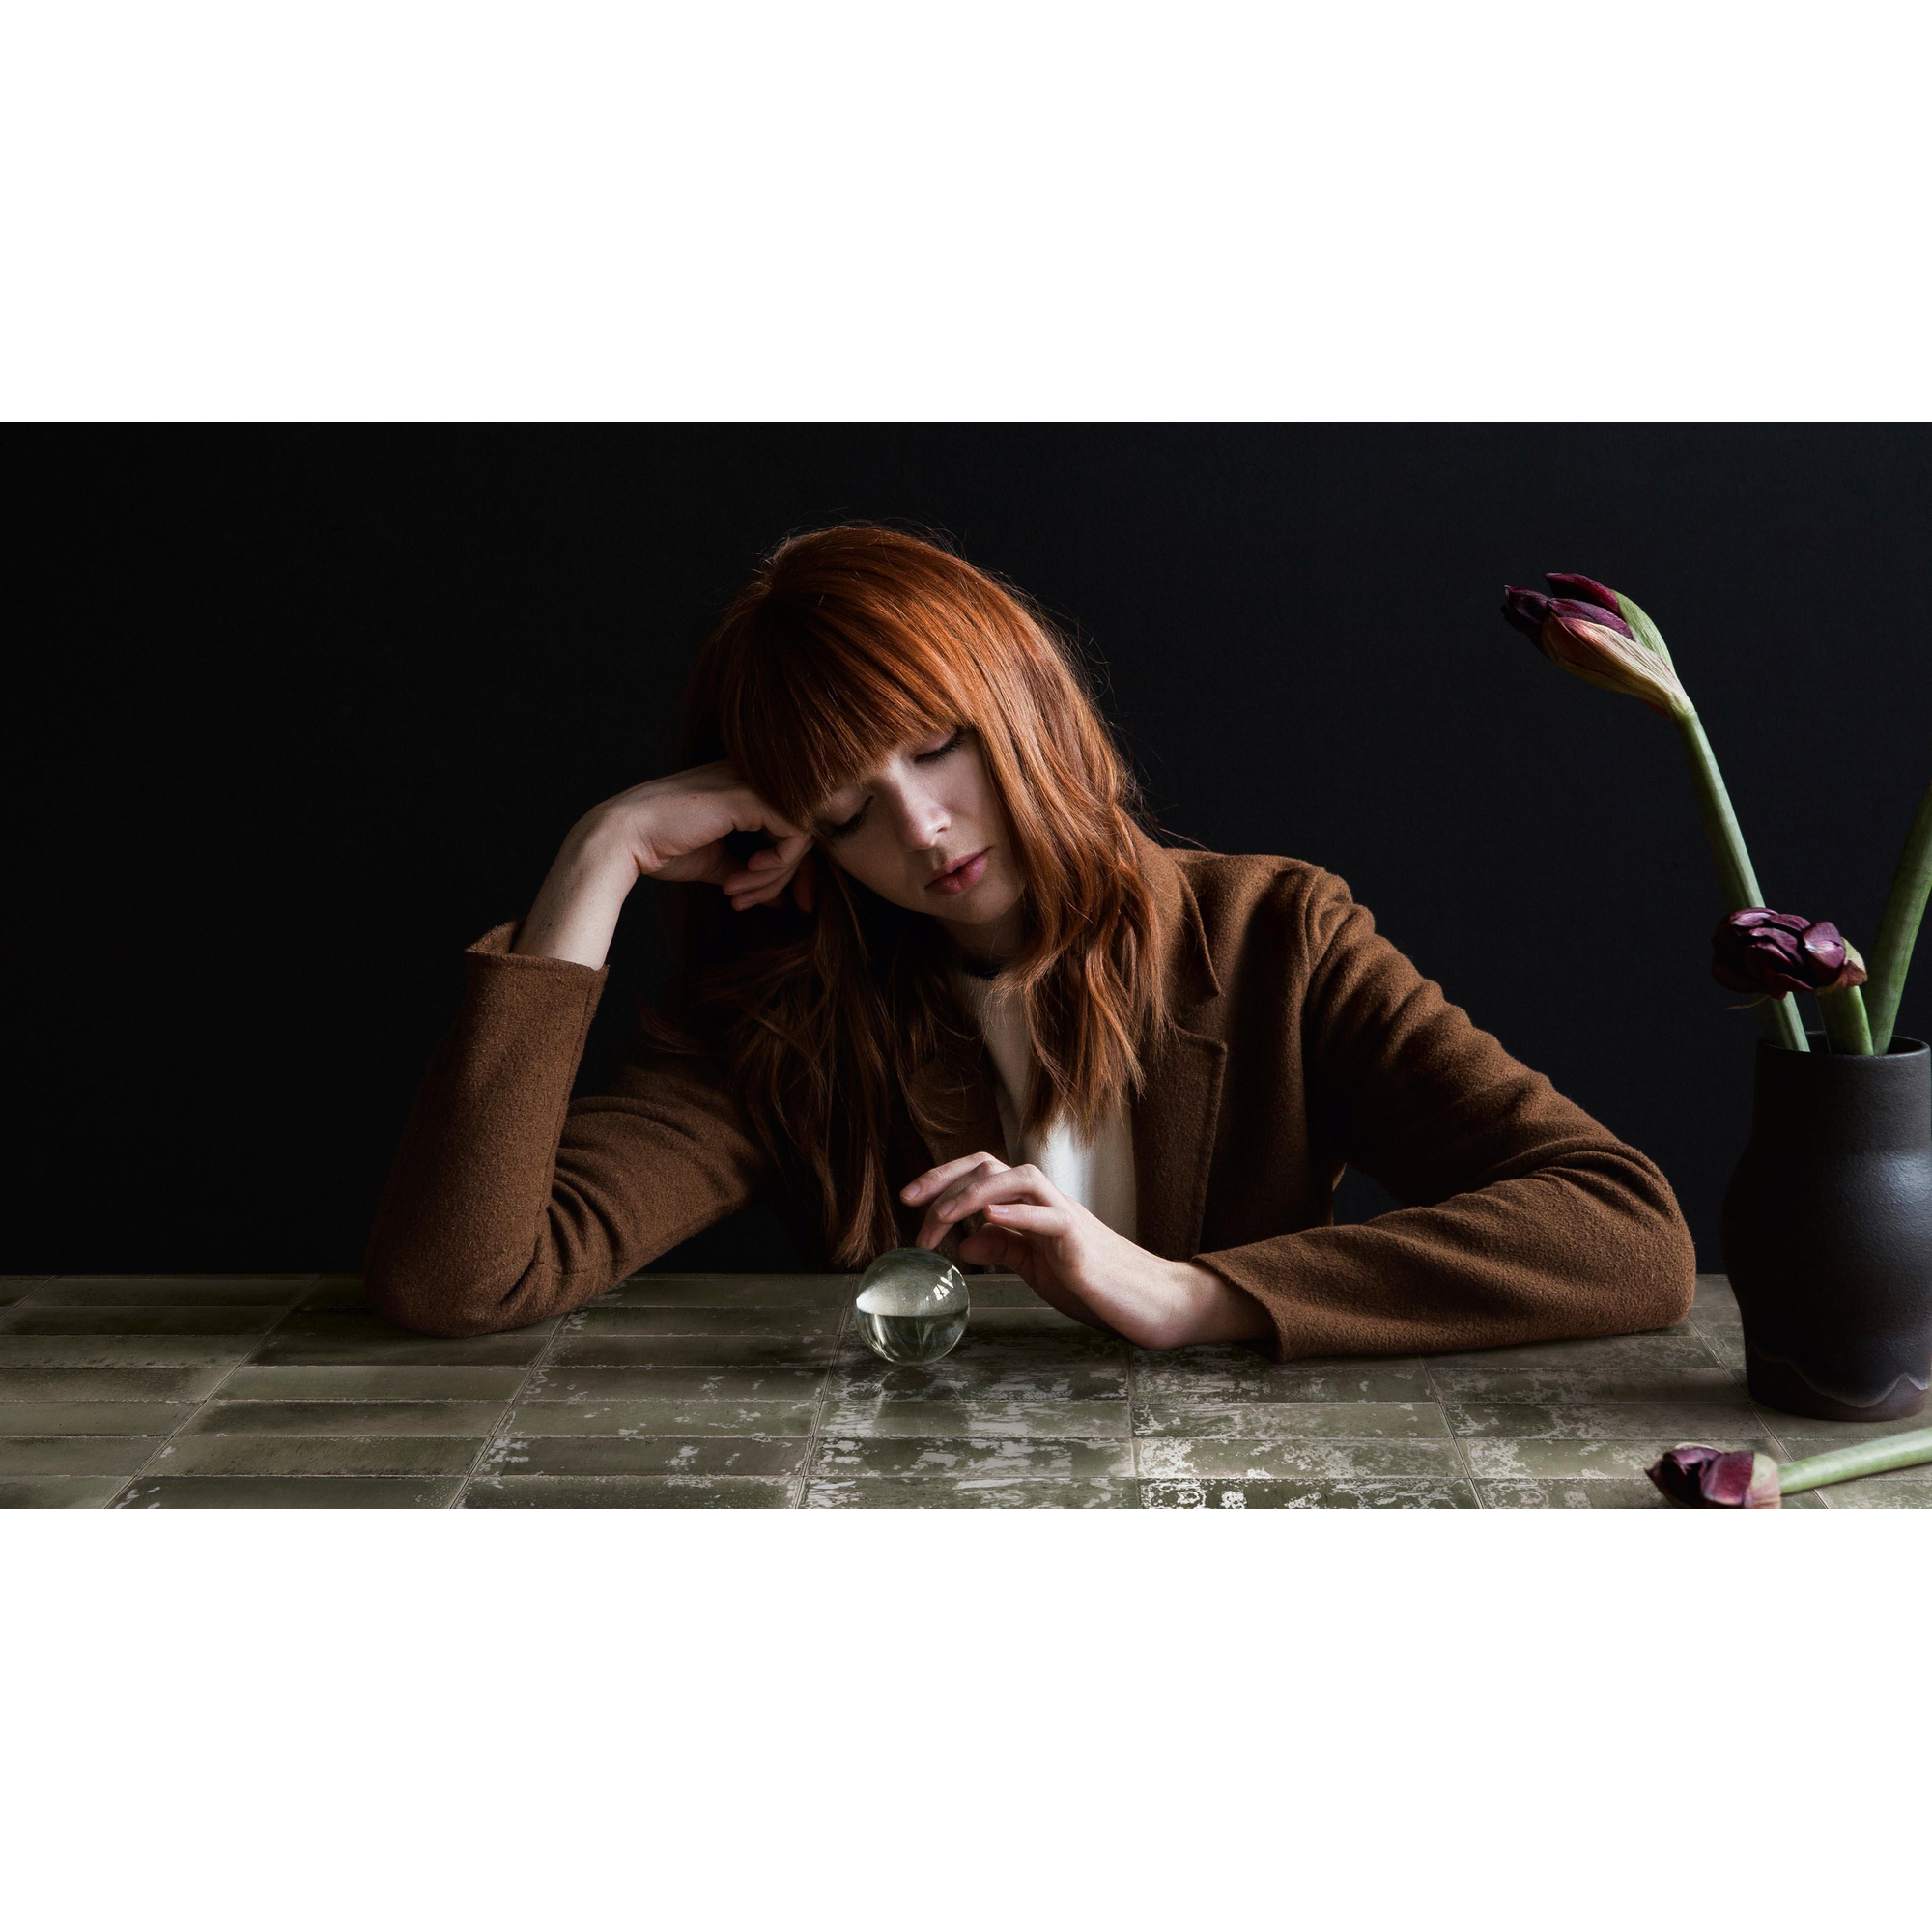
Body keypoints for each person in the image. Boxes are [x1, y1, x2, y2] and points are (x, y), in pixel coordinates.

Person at [363, 525, 1696, 1353]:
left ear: (1024, 703)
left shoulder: (1276, 935)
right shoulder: (785, 1015)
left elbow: (1623, 1232)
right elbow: (459, 1279)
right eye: (847, 808)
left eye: (938, 746)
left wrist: (1183, 1297)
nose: (922, 827)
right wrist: (603, 851)